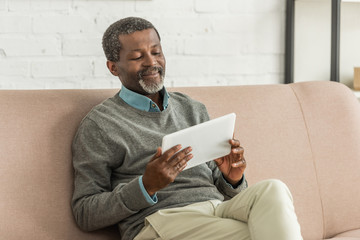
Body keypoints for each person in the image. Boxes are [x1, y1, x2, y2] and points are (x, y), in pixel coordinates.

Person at [71, 17, 303, 240]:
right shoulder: (100, 125)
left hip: (216, 210)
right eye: (137, 56)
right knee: (260, 233)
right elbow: (85, 213)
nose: (151, 62)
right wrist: (146, 186)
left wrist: (232, 179)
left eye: (156, 52)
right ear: (113, 67)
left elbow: (224, 191)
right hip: (161, 221)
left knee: (274, 189)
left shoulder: (192, 108)